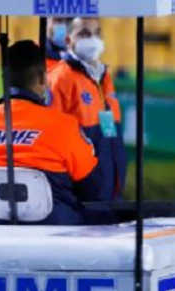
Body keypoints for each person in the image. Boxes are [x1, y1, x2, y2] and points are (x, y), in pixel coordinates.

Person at [0, 41, 103, 225]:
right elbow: (93, 187)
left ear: (4, 79)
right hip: (56, 236)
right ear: (43, 79)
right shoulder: (64, 126)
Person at [49, 17, 126, 202]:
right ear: (68, 40)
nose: (93, 39)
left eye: (97, 33)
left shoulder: (104, 77)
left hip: (110, 191)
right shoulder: (60, 78)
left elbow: (110, 132)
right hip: (81, 196)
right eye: (84, 33)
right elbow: (53, 140)